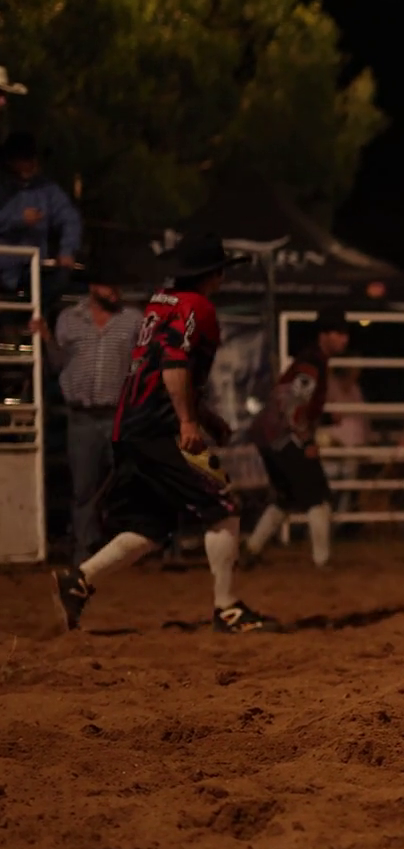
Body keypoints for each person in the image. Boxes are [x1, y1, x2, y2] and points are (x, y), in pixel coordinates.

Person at [51, 233, 279, 633]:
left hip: (130, 427)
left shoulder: (160, 303)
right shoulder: (198, 308)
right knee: (222, 504)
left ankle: (79, 579)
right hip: (159, 429)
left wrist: (202, 417)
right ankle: (227, 608)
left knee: (149, 525)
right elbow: (175, 364)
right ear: (213, 274)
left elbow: (162, 369)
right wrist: (190, 422)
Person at [30, 269, 144, 564]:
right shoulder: (69, 319)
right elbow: (58, 363)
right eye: (109, 285)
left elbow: (143, 364)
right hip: (82, 416)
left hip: (119, 415)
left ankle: (120, 547)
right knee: (84, 487)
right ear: (94, 287)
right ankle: (86, 550)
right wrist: (45, 338)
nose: (115, 291)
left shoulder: (133, 320)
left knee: (126, 482)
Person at [241, 309, 353, 571]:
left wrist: (323, 419)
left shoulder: (310, 361)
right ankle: (321, 560)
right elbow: (293, 405)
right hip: (284, 437)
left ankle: (252, 549)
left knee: (286, 497)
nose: (344, 339)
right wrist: (307, 441)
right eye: (338, 333)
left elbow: (294, 403)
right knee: (317, 496)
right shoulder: (312, 363)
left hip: (269, 436)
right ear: (324, 335)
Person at [0, 132, 81, 298]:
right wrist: (18, 219)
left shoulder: (47, 190)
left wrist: (67, 250)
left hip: (33, 268)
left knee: (62, 280)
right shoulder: (3, 188)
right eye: (26, 159)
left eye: (33, 158)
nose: (32, 163)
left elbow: (70, 219)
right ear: (10, 161)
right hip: (3, 265)